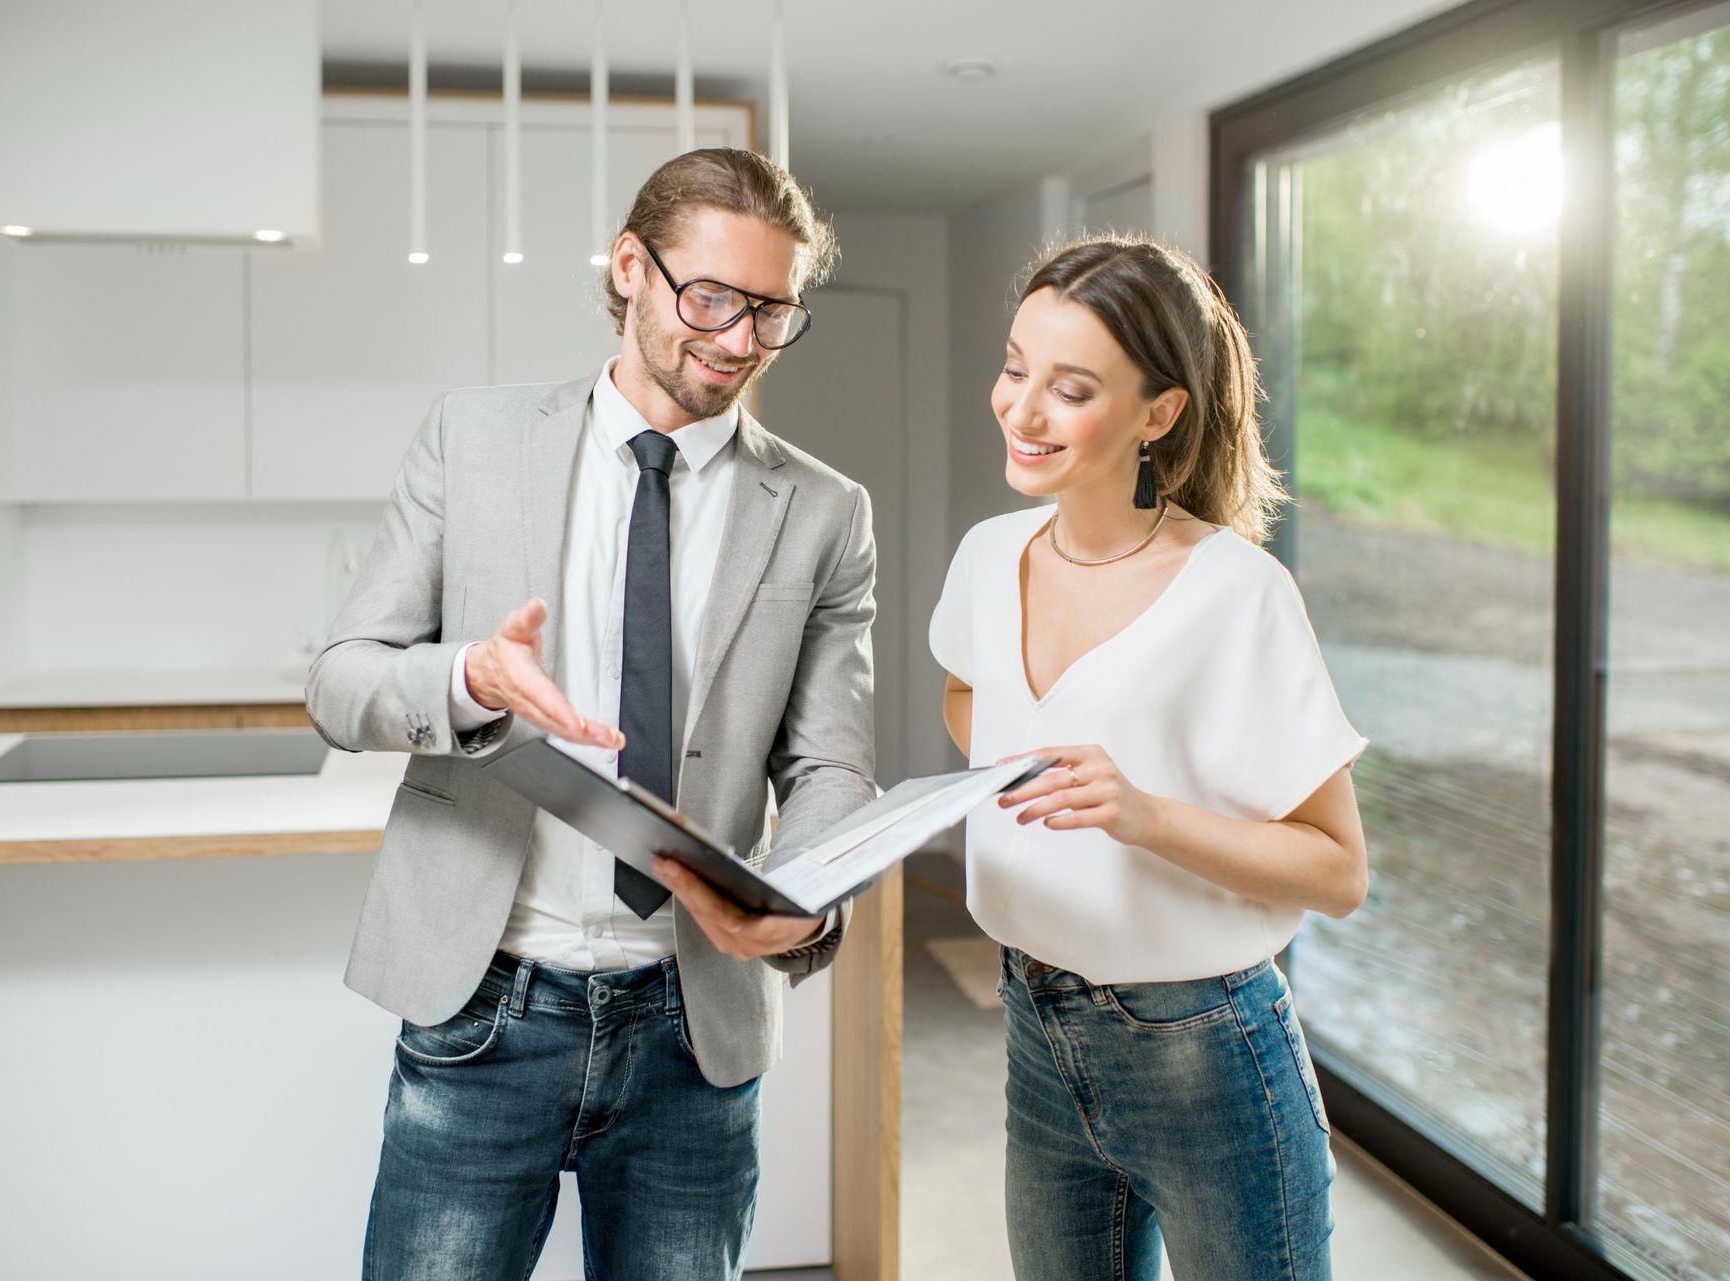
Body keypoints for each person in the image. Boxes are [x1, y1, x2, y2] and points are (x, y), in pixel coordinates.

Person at [305, 148, 879, 1281]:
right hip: (484, 1007)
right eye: (710, 297)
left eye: (772, 313)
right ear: (630, 267)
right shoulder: (473, 439)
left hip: (691, 1025)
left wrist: (800, 907)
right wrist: (468, 678)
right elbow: (339, 679)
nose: (737, 340)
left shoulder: (823, 511)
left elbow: (832, 769)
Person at [929, 234, 1370, 1281]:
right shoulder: (989, 556)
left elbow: (1337, 871)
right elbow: (966, 694)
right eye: (1014, 366)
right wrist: (1027, 772)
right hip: (1037, 1020)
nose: (1021, 410)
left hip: (1203, 1049)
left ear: (1158, 413)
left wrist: (1140, 814)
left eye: (1070, 388)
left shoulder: (1237, 593)